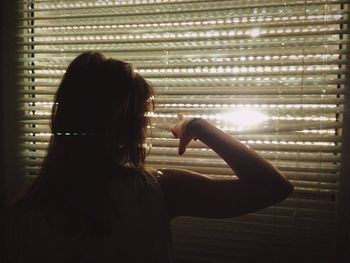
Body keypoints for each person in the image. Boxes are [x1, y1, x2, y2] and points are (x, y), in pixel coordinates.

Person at [0, 51, 293, 263]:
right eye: (144, 117)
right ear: (126, 127)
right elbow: (273, 187)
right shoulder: (153, 190)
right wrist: (198, 126)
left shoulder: (21, 214)